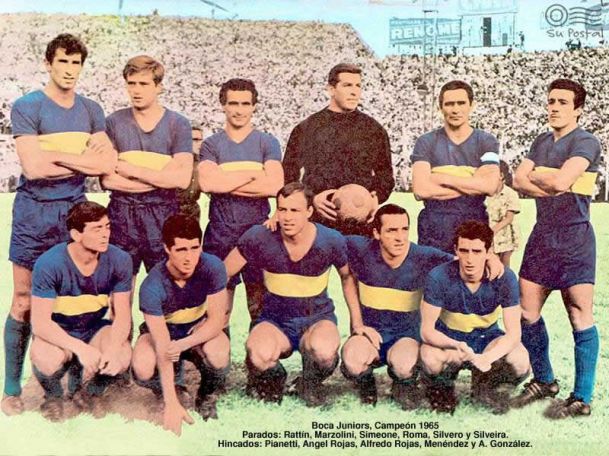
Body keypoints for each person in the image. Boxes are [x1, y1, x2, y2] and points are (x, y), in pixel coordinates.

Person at [3, 33, 115, 416]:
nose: (69, 70)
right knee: (23, 300)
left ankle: (71, 379)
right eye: (63, 61)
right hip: (34, 213)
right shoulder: (27, 106)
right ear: (48, 63)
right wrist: (81, 159)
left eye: (75, 63)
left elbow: (105, 165)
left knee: (71, 295)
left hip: (75, 212)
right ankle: (11, 388)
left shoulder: (91, 110)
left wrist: (57, 155)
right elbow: (33, 168)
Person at [512, 79, 601, 418]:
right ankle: (545, 380)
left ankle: (581, 397)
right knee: (527, 311)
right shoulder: (540, 141)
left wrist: (542, 178)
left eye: (563, 102)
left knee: (579, 313)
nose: (554, 107)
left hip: (575, 238)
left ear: (578, 109)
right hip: (542, 237)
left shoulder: (586, 141)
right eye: (551, 101)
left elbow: (562, 181)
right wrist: (552, 183)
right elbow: (517, 180)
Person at [224, 182, 357, 406]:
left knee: (325, 353)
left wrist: (357, 322)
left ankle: (309, 382)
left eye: (295, 210)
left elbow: (347, 277)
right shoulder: (259, 236)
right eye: (282, 209)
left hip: (316, 319)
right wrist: (215, 316)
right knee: (258, 354)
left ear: (309, 211)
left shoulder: (330, 240)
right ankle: (276, 378)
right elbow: (222, 274)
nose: (287, 217)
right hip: (275, 322)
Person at [341, 204, 454, 407]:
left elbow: (464, 262)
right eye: (391, 230)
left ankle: (402, 383)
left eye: (404, 229)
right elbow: (320, 238)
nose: (400, 237)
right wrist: (357, 324)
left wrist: (491, 259)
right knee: (352, 360)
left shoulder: (424, 256)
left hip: (406, 336)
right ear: (376, 233)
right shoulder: (360, 248)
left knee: (404, 367)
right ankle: (366, 383)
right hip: (371, 335)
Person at [29, 202, 132, 421]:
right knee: (44, 356)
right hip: (60, 330)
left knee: (122, 353)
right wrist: (80, 349)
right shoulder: (49, 263)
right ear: (76, 234)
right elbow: (40, 323)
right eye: (97, 229)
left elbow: (123, 316)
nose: (105, 234)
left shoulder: (120, 259)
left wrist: (113, 349)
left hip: (94, 328)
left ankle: (92, 392)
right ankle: (53, 396)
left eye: (107, 226)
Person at [132, 214, 229, 436]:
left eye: (194, 248)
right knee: (142, 366)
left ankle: (206, 394)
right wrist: (171, 403)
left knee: (219, 351)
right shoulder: (152, 286)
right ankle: (168, 392)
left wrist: (186, 342)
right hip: (164, 335)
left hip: (196, 330)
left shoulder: (213, 266)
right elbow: (163, 345)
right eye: (181, 250)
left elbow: (216, 321)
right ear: (167, 248)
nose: (189, 257)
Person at [419, 221, 529, 414]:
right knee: (429, 357)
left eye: (477, 251)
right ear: (456, 250)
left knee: (520, 361)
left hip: (487, 338)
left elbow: (514, 334)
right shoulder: (438, 276)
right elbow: (427, 331)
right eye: (464, 251)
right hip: (451, 340)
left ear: (488, 252)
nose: (469, 259)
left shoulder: (505, 278)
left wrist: (487, 358)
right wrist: (455, 344)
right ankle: (443, 388)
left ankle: (484, 383)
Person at [101, 55, 193, 280]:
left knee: (166, 285)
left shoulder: (178, 124)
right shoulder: (113, 122)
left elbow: (182, 179)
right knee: (120, 285)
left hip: (163, 213)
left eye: (143, 84)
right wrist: (160, 178)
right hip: (122, 213)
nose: (136, 90)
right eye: (131, 83)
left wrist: (131, 170)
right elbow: (108, 179)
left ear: (158, 87)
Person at [198, 78, 283, 321]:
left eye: (245, 103)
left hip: (258, 232)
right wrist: (252, 175)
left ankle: (258, 347)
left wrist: (226, 181)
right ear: (223, 105)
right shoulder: (211, 144)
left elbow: (275, 185)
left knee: (259, 308)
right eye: (233, 103)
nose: (239, 110)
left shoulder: (267, 142)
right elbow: (208, 184)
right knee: (218, 310)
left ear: (254, 106)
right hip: (220, 233)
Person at [282, 63, 394, 235]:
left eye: (358, 85)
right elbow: (289, 175)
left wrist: (375, 199)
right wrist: (310, 199)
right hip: (317, 224)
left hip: (360, 226)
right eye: (347, 85)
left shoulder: (374, 130)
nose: (354, 91)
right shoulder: (307, 128)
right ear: (331, 89)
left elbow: (385, 176)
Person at [411, 80, 501, 254]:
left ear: (471, 106)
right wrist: (472, 181)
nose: (455, 109)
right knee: (434, 271)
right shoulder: (426, 142)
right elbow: (421, 189)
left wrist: (441, 178)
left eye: (461, 103)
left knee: (471, 271)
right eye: (449, 104)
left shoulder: (486, 141)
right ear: (440, 107)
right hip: (434, 226)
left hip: (474, 223)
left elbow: (490, 186)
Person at [485, 160, 521, 267]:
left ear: (501, 175)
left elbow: (509, 218)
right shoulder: (485, 194)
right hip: (488, 237)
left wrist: (493, 230)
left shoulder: (510, 194)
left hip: (506, 237)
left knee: (505, 267)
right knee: (490, 264)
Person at [177, 121, 204, 221]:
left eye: (201, 140)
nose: (200, 144)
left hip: (193, 212)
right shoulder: (173, 161)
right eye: (195, 140)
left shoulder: (202, 163)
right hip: (172, 210)